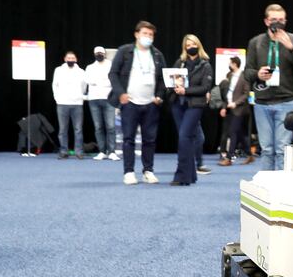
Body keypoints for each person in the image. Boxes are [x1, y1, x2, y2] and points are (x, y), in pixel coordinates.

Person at [243, 4, 293, 170]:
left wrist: (292, 49)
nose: (277, 23)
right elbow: (247, 72)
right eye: (274, 20)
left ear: (286, 21)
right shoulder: (256, 43)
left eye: (281, 20)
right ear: (266, 21)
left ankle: (281, 190)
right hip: (262, 102)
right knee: (266, 149)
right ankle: (266, 189)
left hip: (286, 102)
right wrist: (257, 74)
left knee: (282, 149)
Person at [109, 20, 166, 185]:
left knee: (150, 139)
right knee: (129, 139)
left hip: (151, 104)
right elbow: (113, 73)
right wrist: (121, 94)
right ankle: (129, 172)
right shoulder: (125, 51)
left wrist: (159, 96)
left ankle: (148, 171)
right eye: (145, 33)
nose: (148, 37)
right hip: (130, 103)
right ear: (136, 34)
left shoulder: (157, 55)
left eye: (151, 34)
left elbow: (163, 79)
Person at [168, 34, 213, 186]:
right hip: (178, 105)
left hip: (195, 105)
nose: (190, 47)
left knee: (184, 137)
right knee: (185, 140)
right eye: (187, 45)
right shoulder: (179, 63)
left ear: (198, 45)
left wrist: (186, 90)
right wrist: (174, 86)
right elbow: (170, 81)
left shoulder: (205, 65)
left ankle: (181, 175)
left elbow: (205, 87)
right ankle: (191, 175)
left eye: (193, 44)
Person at [85, 46, 120, 161]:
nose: (99, 54)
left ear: (104, 54)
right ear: (94, 54)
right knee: (98, 127)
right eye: (97, 53)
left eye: (101, 52)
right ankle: (102, 151)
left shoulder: (111, 65)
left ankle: (112, 152)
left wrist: (100, 81)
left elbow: (112, 80)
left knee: (110, 126)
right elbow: (89, 81)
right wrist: (103, 80)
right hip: (94, 99)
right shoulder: (90, 67)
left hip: (109, 98)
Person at [219, 56, 254, 166]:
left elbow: (246, 94)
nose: (229, 65)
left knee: (233, 132)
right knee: (239, 133)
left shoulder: (244, 76)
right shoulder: (230, 76)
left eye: (230, 63)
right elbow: (228, 93)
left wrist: (236, 103)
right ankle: (249, 154)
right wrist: (224, 107)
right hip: (230, 108)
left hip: (239, 109)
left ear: (234, 64)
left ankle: (229, 158)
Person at [52, 51, 86, 159]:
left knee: (78, 129)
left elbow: (84, 86)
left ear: (76, 59)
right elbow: (55, 85)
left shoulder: (81, 71)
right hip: (62, 103)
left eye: (72, 58)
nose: (70, 60)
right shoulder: (59, 70)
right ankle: (63, 151)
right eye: (69, 58)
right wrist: (57, 98)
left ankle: (79, 151)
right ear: (65, 59)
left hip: (77, 104)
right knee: (63, 129)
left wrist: (80, 96)